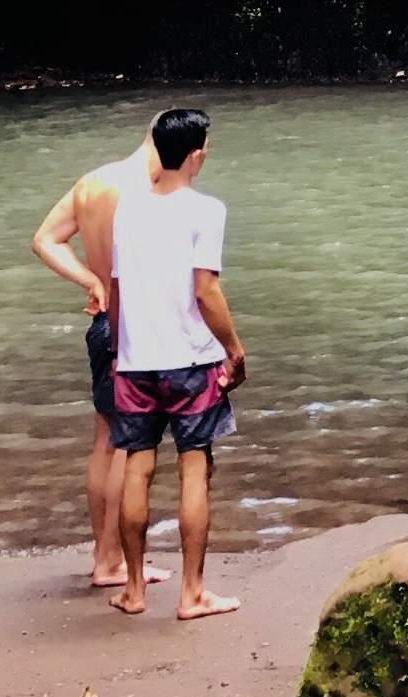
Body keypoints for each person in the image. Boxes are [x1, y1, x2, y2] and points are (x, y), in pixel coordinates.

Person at [103, 108, 246, 620]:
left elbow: (116, 289)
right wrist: (234, 348)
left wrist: (121, 350)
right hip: (189, 361)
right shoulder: (206, 210)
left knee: (137, 468)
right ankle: (191, 593)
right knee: (194, 472)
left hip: (136, 361)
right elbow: (205, 289)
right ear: (195, 154)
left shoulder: (128, 210)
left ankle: (135, 591)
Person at [27, 116, 171, 589]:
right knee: (129, 445)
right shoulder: (146, 194)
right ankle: (110, 562)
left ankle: (102, 554)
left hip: (101, 322)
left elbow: (44, 240)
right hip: (133, 327)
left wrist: (90, 279)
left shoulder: (93, 182)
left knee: (104, 439)